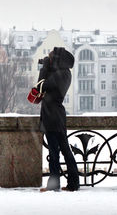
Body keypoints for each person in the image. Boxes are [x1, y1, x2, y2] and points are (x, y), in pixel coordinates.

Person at [37, 47, 79, 192]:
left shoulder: (60, 74)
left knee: (54, 152)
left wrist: (44, 68)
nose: (50, 59)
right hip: (57, 115)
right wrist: (48, 67)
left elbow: (40, 87)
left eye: (52, 57)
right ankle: (74, 183)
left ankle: (54, 185)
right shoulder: (65, 73)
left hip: (51, 116)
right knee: (65, 150)